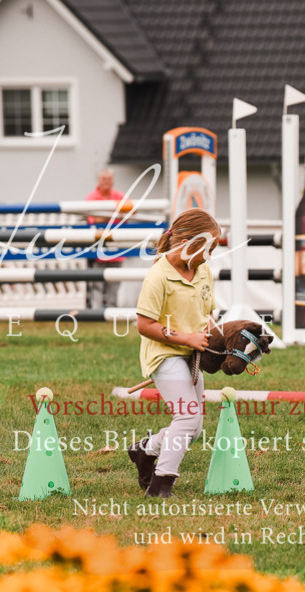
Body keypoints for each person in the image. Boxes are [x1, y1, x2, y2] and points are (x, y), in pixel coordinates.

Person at [128, 208, 220, 498]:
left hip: (190, 354)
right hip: (164, 354)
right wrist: (186, 338)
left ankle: (145, 450)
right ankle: (161, 485)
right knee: (188, 418)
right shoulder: (158, 277)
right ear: (187, 243)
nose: (210, 255)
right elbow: (144, 325)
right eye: (208, 248)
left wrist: (215, 337)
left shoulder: (203, 270)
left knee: (193, 430)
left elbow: (207, 312)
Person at [85, 169, 127, 307]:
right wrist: (115, 213)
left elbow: (132, 211)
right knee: (97, 282)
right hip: (97, 247)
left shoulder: (119, 195)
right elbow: (93, 219)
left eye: (108, 179)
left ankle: (112, 310)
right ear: (99, 180)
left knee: (114, 283)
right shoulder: (91, 197)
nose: (106, 182)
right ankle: (96, 311)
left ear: (113, 181)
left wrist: (105, 214)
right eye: (104, 179)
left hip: (116, 247)